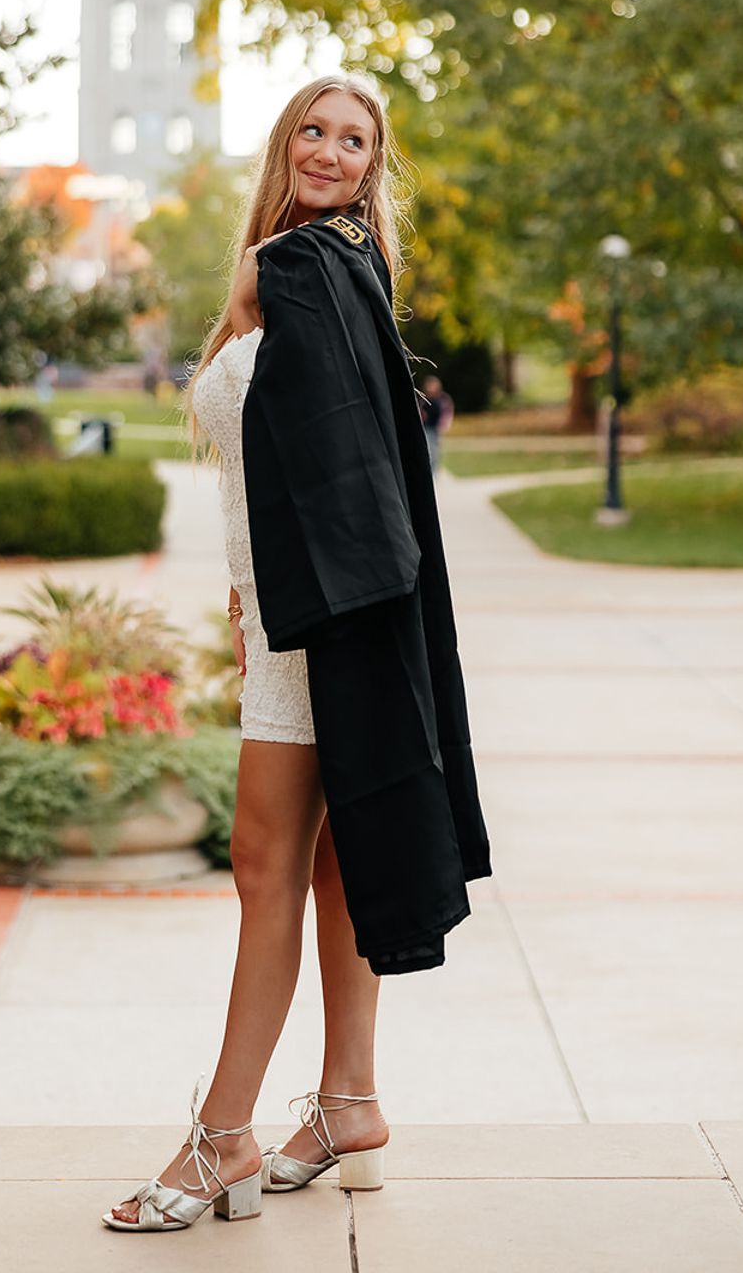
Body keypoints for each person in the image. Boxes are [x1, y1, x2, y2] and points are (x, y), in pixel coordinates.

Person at [104, 75, 490, 1235]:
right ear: (285, 145)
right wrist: (242, 586)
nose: (329, 150)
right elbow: (287, 463)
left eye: (353, 139)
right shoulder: (307, 268)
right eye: (313, 131)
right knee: (326, 864)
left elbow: (352, 470)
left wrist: (297, 605)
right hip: (290, 619)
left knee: (265, 866)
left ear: (374, 166)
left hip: (318, 627)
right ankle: (348, 1102)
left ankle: (222, 1133)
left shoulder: (312, 271)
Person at [418, 373, 454, 476]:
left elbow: (446, 413)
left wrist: (444, 425)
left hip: (434, 429)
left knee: (434, 451)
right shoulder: (423, 400)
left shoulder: (441, 400)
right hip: (424, 428)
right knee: (427, 450)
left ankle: (433, 472)